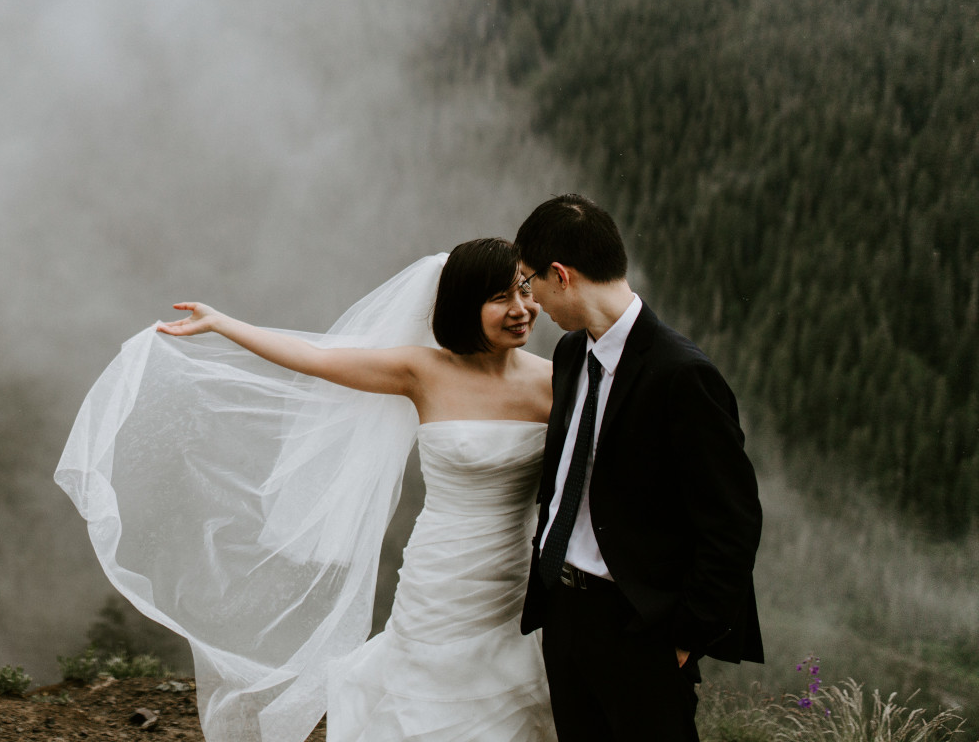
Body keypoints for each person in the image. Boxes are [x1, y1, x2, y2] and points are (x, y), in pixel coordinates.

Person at [57, 239, 560, 742]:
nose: (521, 309)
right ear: (464, 304)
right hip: (441, 577)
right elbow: (316, 358)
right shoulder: (423, 371)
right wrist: (223, 323)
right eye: (500, 297)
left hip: (517, 579)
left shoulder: (557, 381)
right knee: (423, 695)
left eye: (523, 290)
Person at [514, 194, 763, 742]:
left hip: (638, 630)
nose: (531, 303)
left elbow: (733, 522)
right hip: (563, 617)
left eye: (530, 282)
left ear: (561, 275)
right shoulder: (571, 354)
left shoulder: (683, 375)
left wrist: (681, 639)